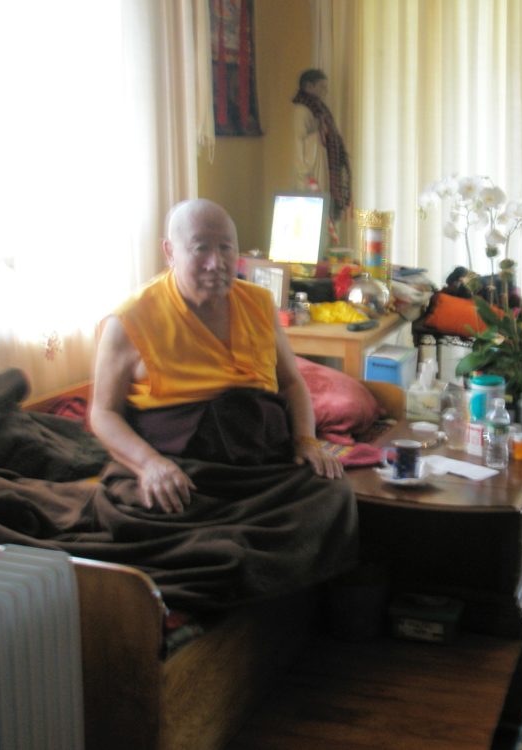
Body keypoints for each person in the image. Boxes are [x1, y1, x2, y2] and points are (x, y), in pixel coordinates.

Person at [89, 198, 356, 608]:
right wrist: (150, 465)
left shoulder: (258, 304)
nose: (217, 262)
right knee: (155, 519)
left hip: (262, 466)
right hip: (188, 469)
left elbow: (291, 383)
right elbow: (102, 413)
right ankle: (234, 565)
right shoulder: (131, 320)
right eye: (201, 248)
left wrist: (305, 440)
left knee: (333, 495)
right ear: (169, 251)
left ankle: (248, 566)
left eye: (226, 247)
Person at [291, 68, 352, 222]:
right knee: (313, 214)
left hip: (323, 164)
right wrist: (320, 133)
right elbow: (299, 142)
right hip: (311, 170)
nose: (325, 91)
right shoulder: (302, 110)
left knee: (326, 210)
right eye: (322, 87)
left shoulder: (319, 109)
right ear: (309, 86)